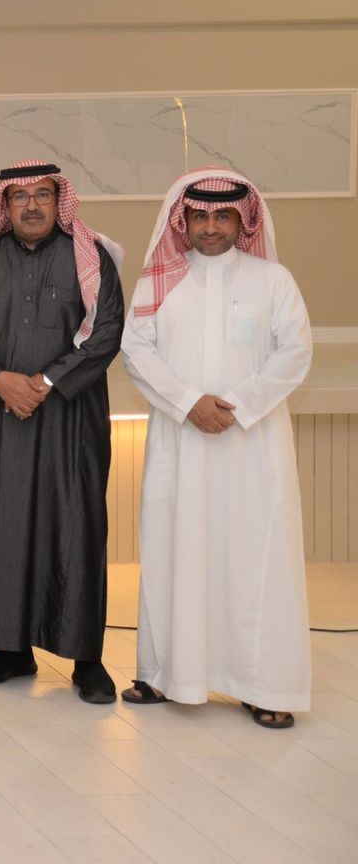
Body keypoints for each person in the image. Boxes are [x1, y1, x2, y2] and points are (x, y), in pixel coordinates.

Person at [120, 169, 312, 728]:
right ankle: (166, 674)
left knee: (256, 558)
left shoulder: (273, 280)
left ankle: (264, 685)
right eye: (200, 216)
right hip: (180, 440)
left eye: (222, 216)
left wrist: (237, 405)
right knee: (173, 550)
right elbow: (136, 351)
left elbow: (295, 352)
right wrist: (188, 404)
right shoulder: (159, 281)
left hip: (252, 443)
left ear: (241, 220)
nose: (210, 227)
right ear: (183, 220)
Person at [0, 161, 124, 704]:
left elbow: (107, 330)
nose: (31, 206)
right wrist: (1, 380)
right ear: (4, 205)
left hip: (70, 419)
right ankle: (10, 649)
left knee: (76, 529)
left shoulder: (90, 258)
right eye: (20, 196)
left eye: (42, 195)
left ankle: (87, 659)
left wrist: (46, 381)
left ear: (58, 200)